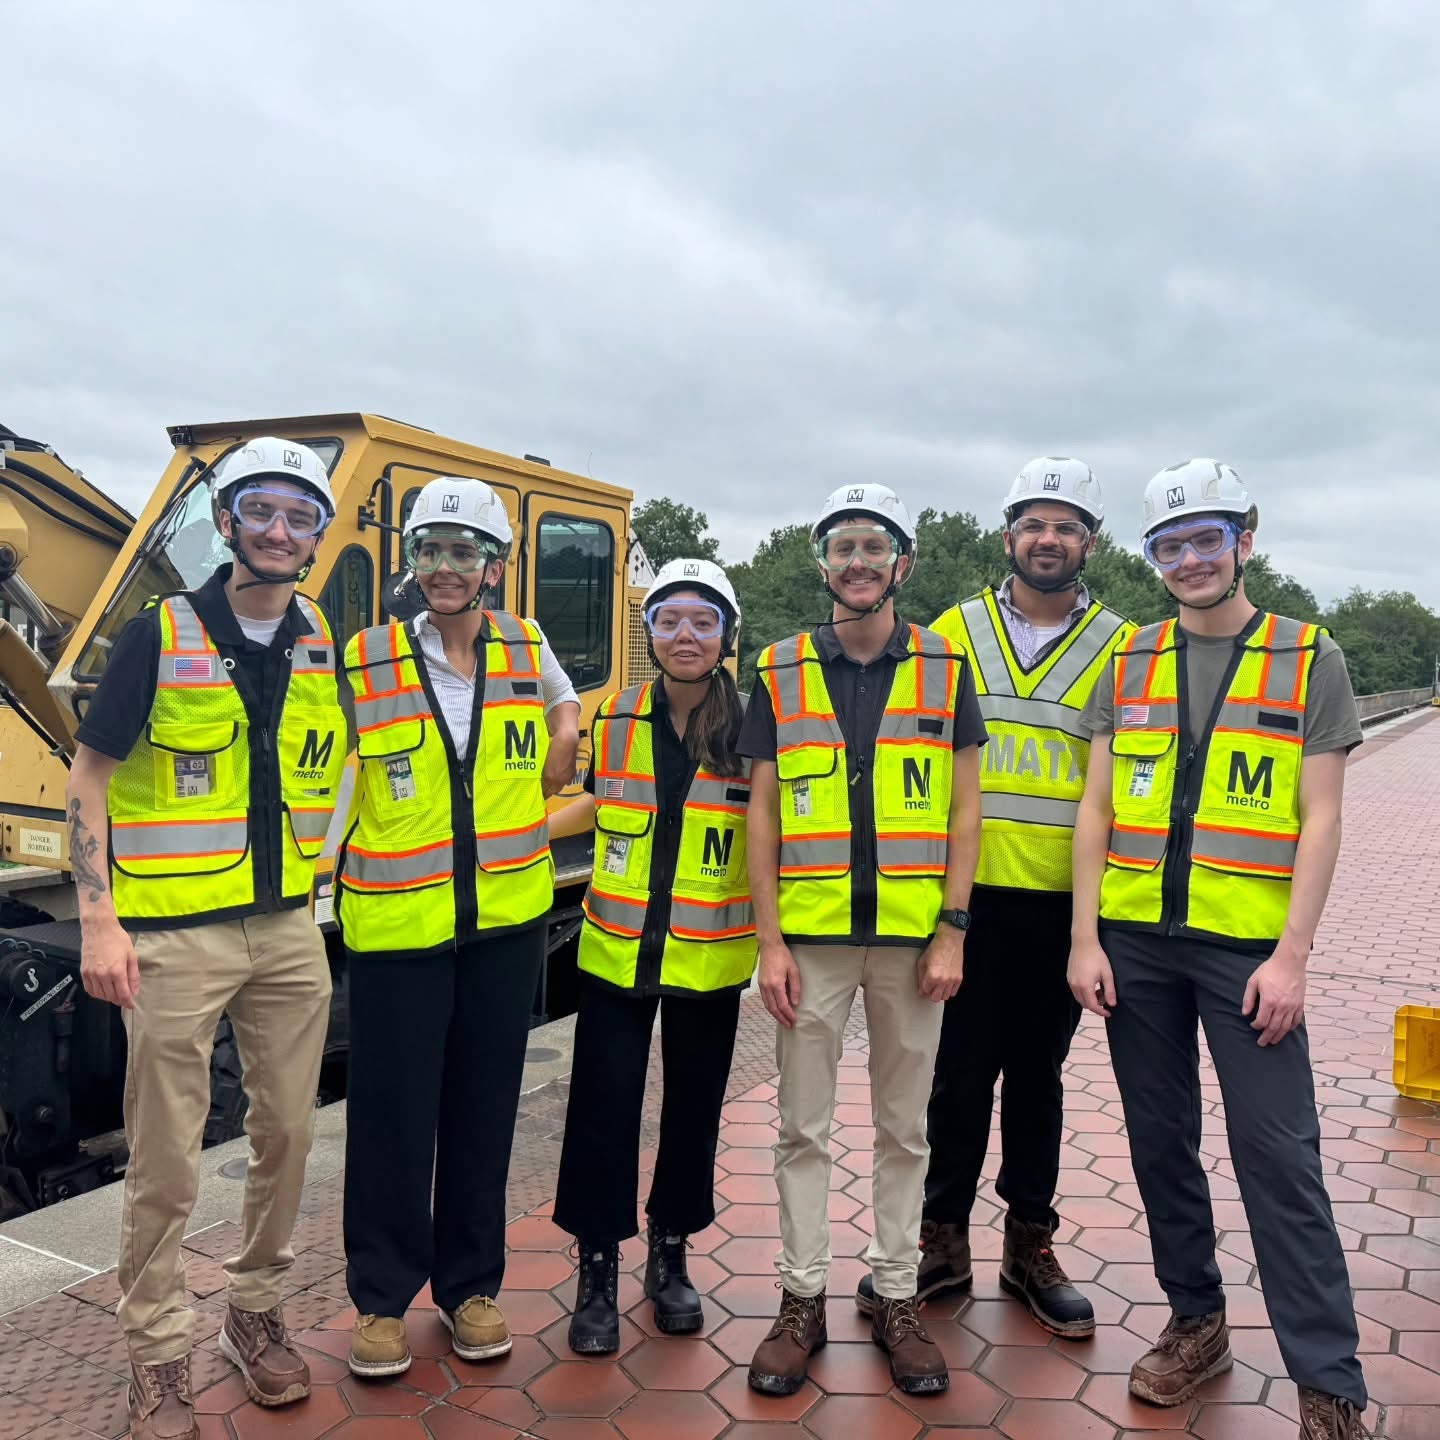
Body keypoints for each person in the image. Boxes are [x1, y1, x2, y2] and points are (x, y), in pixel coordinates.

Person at [1069, 460, 1370, 1440]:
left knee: (1280, 1159)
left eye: (1208, 539)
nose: (1190, 559)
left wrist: (1293, 957)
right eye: (1170, 545)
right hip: (1137, 950)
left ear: (1245, 539)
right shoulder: (1131, 659)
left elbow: (1320, 820)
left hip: (1248, 954)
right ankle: (1195, 1321)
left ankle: (1330, 1384)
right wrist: (1085, 938)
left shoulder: (1306, 655)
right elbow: (1098, 805)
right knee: (1161, 1146)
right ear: (1152, 559)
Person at [67, 438, 348, 1440]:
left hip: (285, 933)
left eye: (299, 516)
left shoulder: (325, 640)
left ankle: (255, 1309)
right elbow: (90, 779)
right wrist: (98, 918)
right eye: (261, 511)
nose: (279, 531)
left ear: (317, 537)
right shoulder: (162, 635)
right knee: (167, 1158)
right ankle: (156, 1356)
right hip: (173, 938)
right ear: (226, 523)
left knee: (290, 1132)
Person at [852, 458, 1133, 1338]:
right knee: (955, 1075)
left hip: (1061, 901)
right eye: (1034, 524)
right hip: (960, 899)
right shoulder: (951, 633)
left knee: (1038, 1077)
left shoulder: (1126, 645)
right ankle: (940, 1238)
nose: (1049, 540)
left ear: (1088, 542)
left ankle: (1029, 1240)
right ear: (1008, 534)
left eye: (1067, 526)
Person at [741, 484, 987, 1398]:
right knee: (801, 1126)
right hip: (811, 941)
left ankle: (894, 1296)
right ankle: (800, 1296)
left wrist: (953, 929)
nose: (857, 562)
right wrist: (769, 943)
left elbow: (967, 810)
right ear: (822, 565)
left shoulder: (945, 666)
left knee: (903, 1128)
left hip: (911, 941)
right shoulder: (777, 668)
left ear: (901, 565)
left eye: (873, 547)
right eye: (841, 547)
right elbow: (762, 814)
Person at [338, 476, 579, 1379]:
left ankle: (472, 1288)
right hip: (398, 927)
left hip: (508, 924)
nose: (447, 567)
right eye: (432, 550)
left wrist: (564, 732)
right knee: (393, 1119)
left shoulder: (525, 644)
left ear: (493, 567)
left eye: (464, 552)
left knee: (483, 1113)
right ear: (414, 561)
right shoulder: (362, 658)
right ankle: (380, 1301)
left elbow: (563, 705)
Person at [552, 558, 754, 1353]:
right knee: (602, 1111)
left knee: (693, 1109)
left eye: (703, 621)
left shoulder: (752, 722)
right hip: (617, 950)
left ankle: (671, 1254)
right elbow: (604, 799)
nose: (685, 635)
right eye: (669, 620)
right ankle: (597, 1264)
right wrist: (527, 833)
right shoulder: (620, 713)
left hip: (707, 953)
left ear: (725, 636)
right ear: (651, 633)